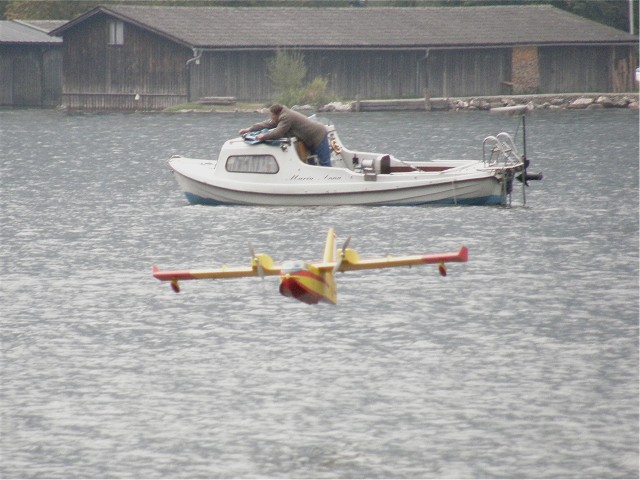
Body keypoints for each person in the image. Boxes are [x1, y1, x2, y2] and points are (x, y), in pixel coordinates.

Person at [239, 104, 331, 167]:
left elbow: (278, 132)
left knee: (325, 163)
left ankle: (332, 185)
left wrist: (263, 136)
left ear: (277, 114)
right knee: (315, 163)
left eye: (272, 115)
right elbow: (267, 124)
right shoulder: (282, 115)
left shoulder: (286, 117)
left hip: (318, 135)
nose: (271, 117)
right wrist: (249, 129)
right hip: (311, 137)